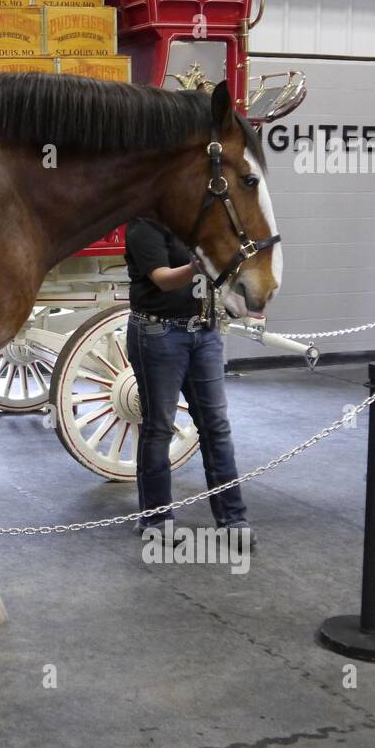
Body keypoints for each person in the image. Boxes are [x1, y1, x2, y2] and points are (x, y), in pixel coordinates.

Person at [123, 217, 251, 543]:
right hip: (158, 332)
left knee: (216, 427)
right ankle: (156, 522)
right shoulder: (145, 224)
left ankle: (232, 521)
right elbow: (163, 280)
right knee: (159, 427)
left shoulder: (196, 225)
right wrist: (200, 265)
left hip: (203, 331)